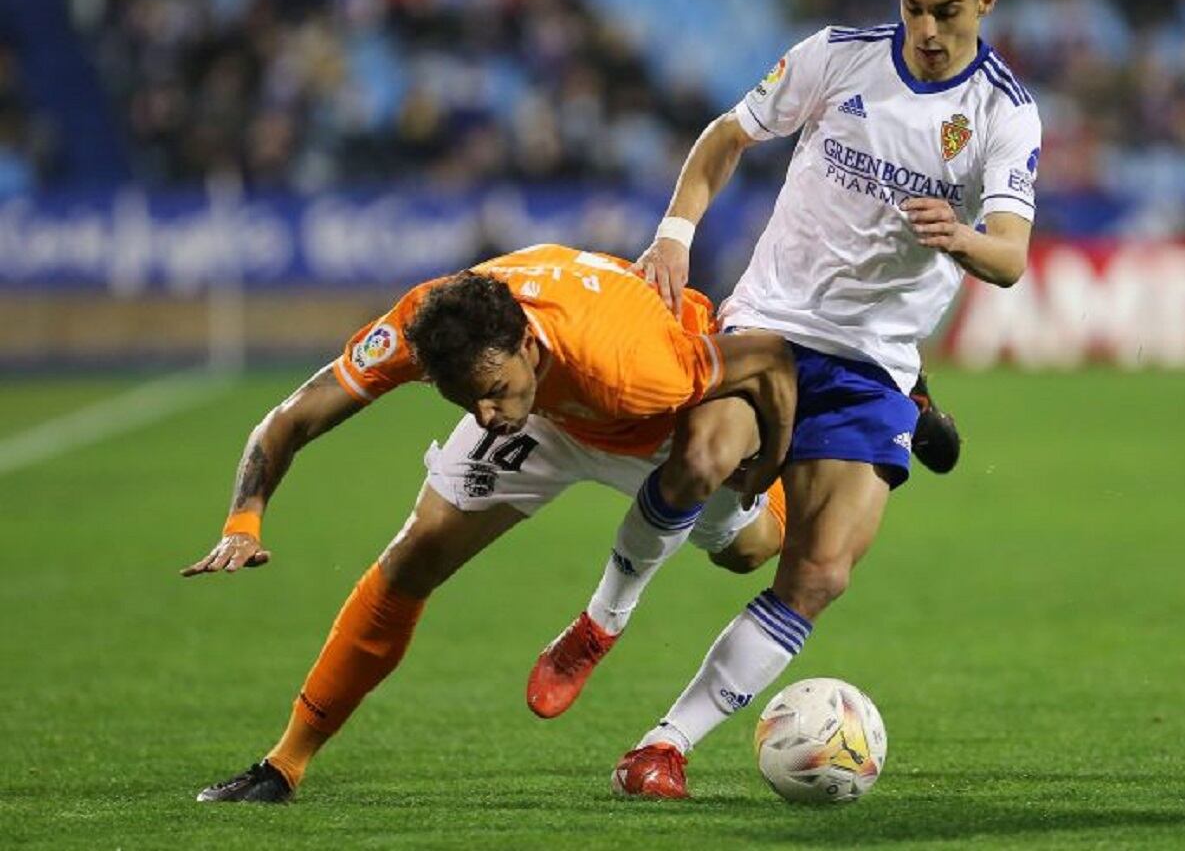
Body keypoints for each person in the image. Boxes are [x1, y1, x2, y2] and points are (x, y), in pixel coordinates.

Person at [530, 0, 1042, 798]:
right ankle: (599, 623)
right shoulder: (836, 55)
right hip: (769, 324)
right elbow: (727, 136)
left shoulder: (1002, 114)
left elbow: (1010, 254)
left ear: (986, 1)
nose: (924, 28)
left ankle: (663, 746)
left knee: (820, 569)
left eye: (946, 11)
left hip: (873, 364)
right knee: (700, 456)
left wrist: (960, 237)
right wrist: (675, 233)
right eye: (912, 4)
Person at [187, 243, 797, 802]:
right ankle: (283, 765)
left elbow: (769, 359)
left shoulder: (637, 363)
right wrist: (244, 520)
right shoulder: (431, 330)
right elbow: (289, 419)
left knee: (749, 551)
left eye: (492, 390)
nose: (481, 414)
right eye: (462, 398)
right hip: (544, 414)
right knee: (416, 553)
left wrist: (770, 461)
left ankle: (615, 609)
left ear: (527, 347)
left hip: (657, 423)